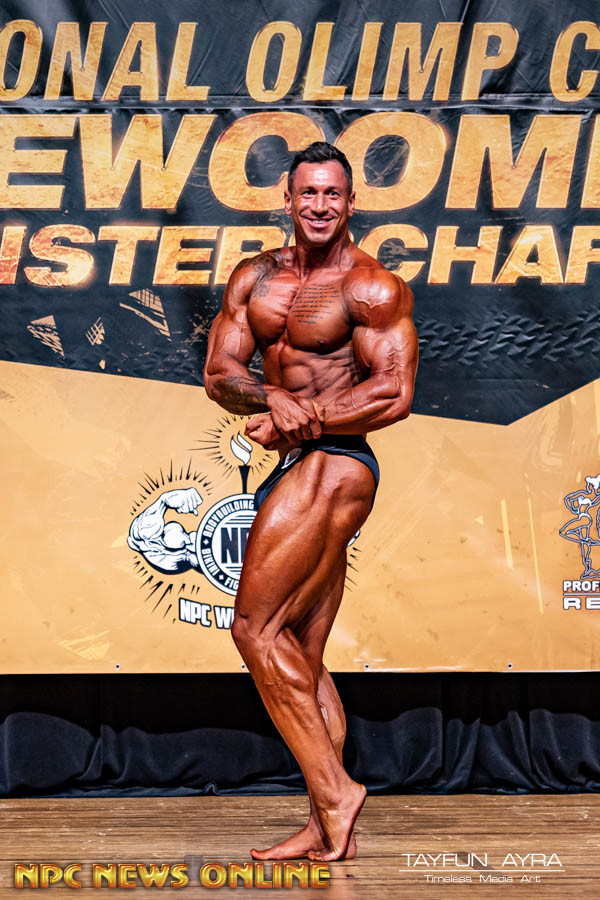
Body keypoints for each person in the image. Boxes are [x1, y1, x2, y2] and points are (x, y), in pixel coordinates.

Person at [204, 141, 418, 861]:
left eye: (332, 194)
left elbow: (393, 392)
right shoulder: (255, 278)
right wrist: (272, 397)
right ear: (289, 200)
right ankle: (329, 826)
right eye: (308, 193)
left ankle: (336, 792)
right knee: (298, 651)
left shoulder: (372, 288)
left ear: (351, 203)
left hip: (338, 463)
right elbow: (219, 372)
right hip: (296, 461)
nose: (320, 206)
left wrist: (308, 417)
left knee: (254, 630)